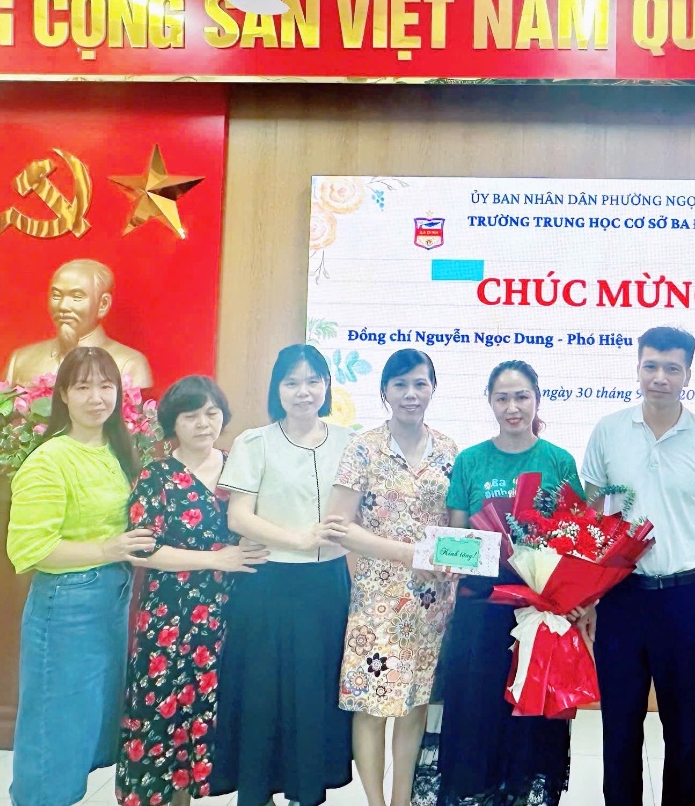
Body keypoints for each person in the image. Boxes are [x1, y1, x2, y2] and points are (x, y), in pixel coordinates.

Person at [412, 360, 583, 806]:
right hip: (481, 605)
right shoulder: (470, 460)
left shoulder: (558, 461)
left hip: (539, 609)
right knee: (478, 707)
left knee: (530, 709)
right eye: (502, 398)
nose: (513, 407)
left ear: (537, 399)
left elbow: (576, 539)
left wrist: (575, 595)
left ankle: (524, 792)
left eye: (522, 396)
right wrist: (451, 555)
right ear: (489, 401)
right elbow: (454, 536)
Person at [582, 327, 695, 806]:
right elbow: (589, 519)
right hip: (621, 597)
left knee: (683, 731)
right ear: (637, 367)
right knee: (619, 728)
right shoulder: (609, 431)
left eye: (672, 368)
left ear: (688, 374)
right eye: (651, 366)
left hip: (685, 600)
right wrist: (586, 597)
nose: (660, 377)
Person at [5, 346, 155, 806]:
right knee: (55, 727)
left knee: (87, 721)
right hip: (67, 604)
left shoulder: (118, 451)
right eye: (83, 387)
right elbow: (31, 549)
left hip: (110, 601)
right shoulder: (49, 460)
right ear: (63, 395)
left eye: (106, 386)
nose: (96, 397)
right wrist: (108, 549)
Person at [211, 344, 355, 806]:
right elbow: (238, 517)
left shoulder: (351, 443)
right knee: (263, 692)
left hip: (327, 586)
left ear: (327, 386)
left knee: (315, 691)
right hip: (268, 583)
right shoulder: (255, 442)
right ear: (277, 389)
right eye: (291, 382)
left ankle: (306, 792)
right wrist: (298, 539)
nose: (303, 391)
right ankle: (259, 792)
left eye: (313, 381)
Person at [116, 375, 270, 806]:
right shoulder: (156, 476)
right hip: (171, 616)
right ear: (173, 424)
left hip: (234, 611)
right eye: (190, 416)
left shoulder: (239, 469)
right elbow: (143, 551)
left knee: (228, 710)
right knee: (166, 712)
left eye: (211, 413)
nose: (203, 423)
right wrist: (216, 559)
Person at [320, 350, 459, 806]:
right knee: (372, 703)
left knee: (415, 701)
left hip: (433, 601)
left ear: (433, 388)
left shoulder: (449, 450)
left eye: (420, 383)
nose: (410, 394)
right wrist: (408, 554)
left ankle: (401, 800)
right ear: (384, 392)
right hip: (377, 597)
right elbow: (338, 526)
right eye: (400, 385)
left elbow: (456, 527)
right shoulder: (363, 448)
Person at [5, 259, 153, 387]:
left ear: (103, 304)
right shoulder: (20, 360)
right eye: (56, 295)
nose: (63, 306)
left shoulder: (128, 364)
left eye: (77, 297)